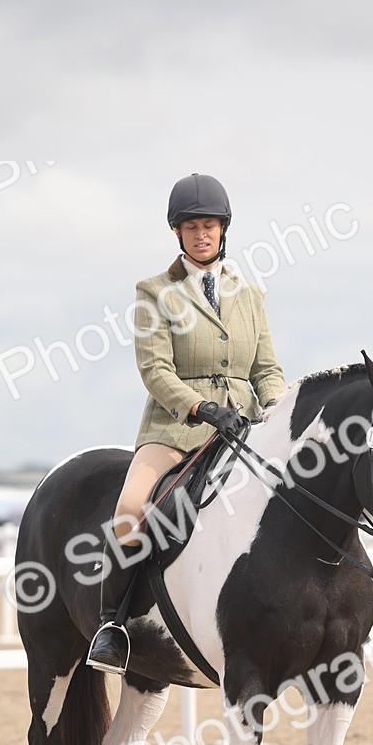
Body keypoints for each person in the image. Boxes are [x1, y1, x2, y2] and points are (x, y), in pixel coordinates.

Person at [87, 173, 287, 675]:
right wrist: (200, 407)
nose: (203, 235)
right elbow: (155, 370)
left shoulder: (250, 294)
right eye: (193, 227)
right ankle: (112, 626)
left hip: (243, 429)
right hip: (177, 431)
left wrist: (278, 413)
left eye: (211, 226)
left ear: (224, 230)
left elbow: (266, 369)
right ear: (178, 233)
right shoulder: (154, 292)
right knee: (131, 510)